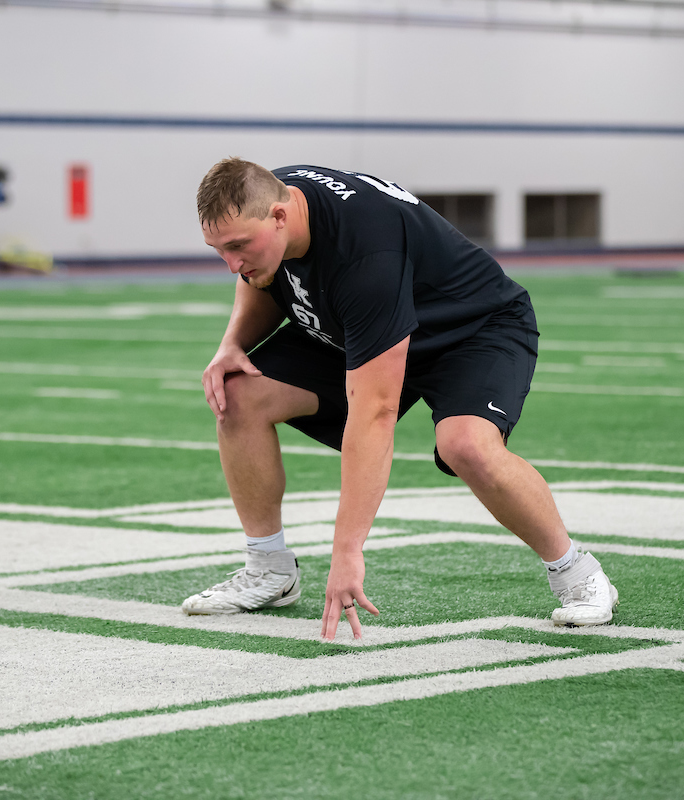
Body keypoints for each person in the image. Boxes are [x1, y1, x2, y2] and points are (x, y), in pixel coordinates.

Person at [182, 158, 617, 640]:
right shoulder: (271, 196)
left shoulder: (365, 251)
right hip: (367, 324)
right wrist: (232, 344)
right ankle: (269, 569)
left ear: (281, 216)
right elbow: (261, 274)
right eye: (218, 250)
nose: (232, 264)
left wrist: (347, 551)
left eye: (239, 246)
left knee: (467, 445)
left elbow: (374, 414)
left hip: (469, 329)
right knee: (236, 394)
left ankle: (577, 573)